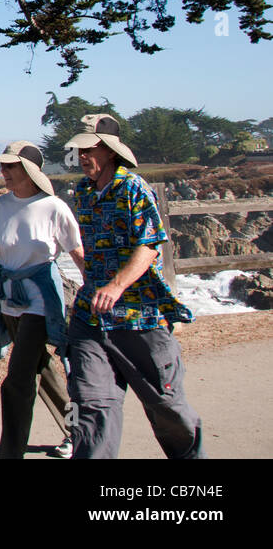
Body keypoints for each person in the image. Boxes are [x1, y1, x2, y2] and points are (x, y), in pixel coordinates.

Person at [63, 114, 204, 459]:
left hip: (139, 316)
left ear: (110, 151)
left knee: (167, 407)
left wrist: (115, 285)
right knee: (91, 404)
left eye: (90, 149)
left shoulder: (133, 188)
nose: (83, 157)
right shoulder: (82, 192)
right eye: (79, 151)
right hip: (91, 318)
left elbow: (149, 245)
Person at [0, 140, 83, 458]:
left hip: (42, 301)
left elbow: (79, 254)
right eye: (2, 166)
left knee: (17, 379)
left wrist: (100, 291)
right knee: (40, 367)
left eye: (10, 166)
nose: (3, 171)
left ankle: (10, 453)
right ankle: (79, 431)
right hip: (9, 299)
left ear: (29, 170)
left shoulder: (54, 208)